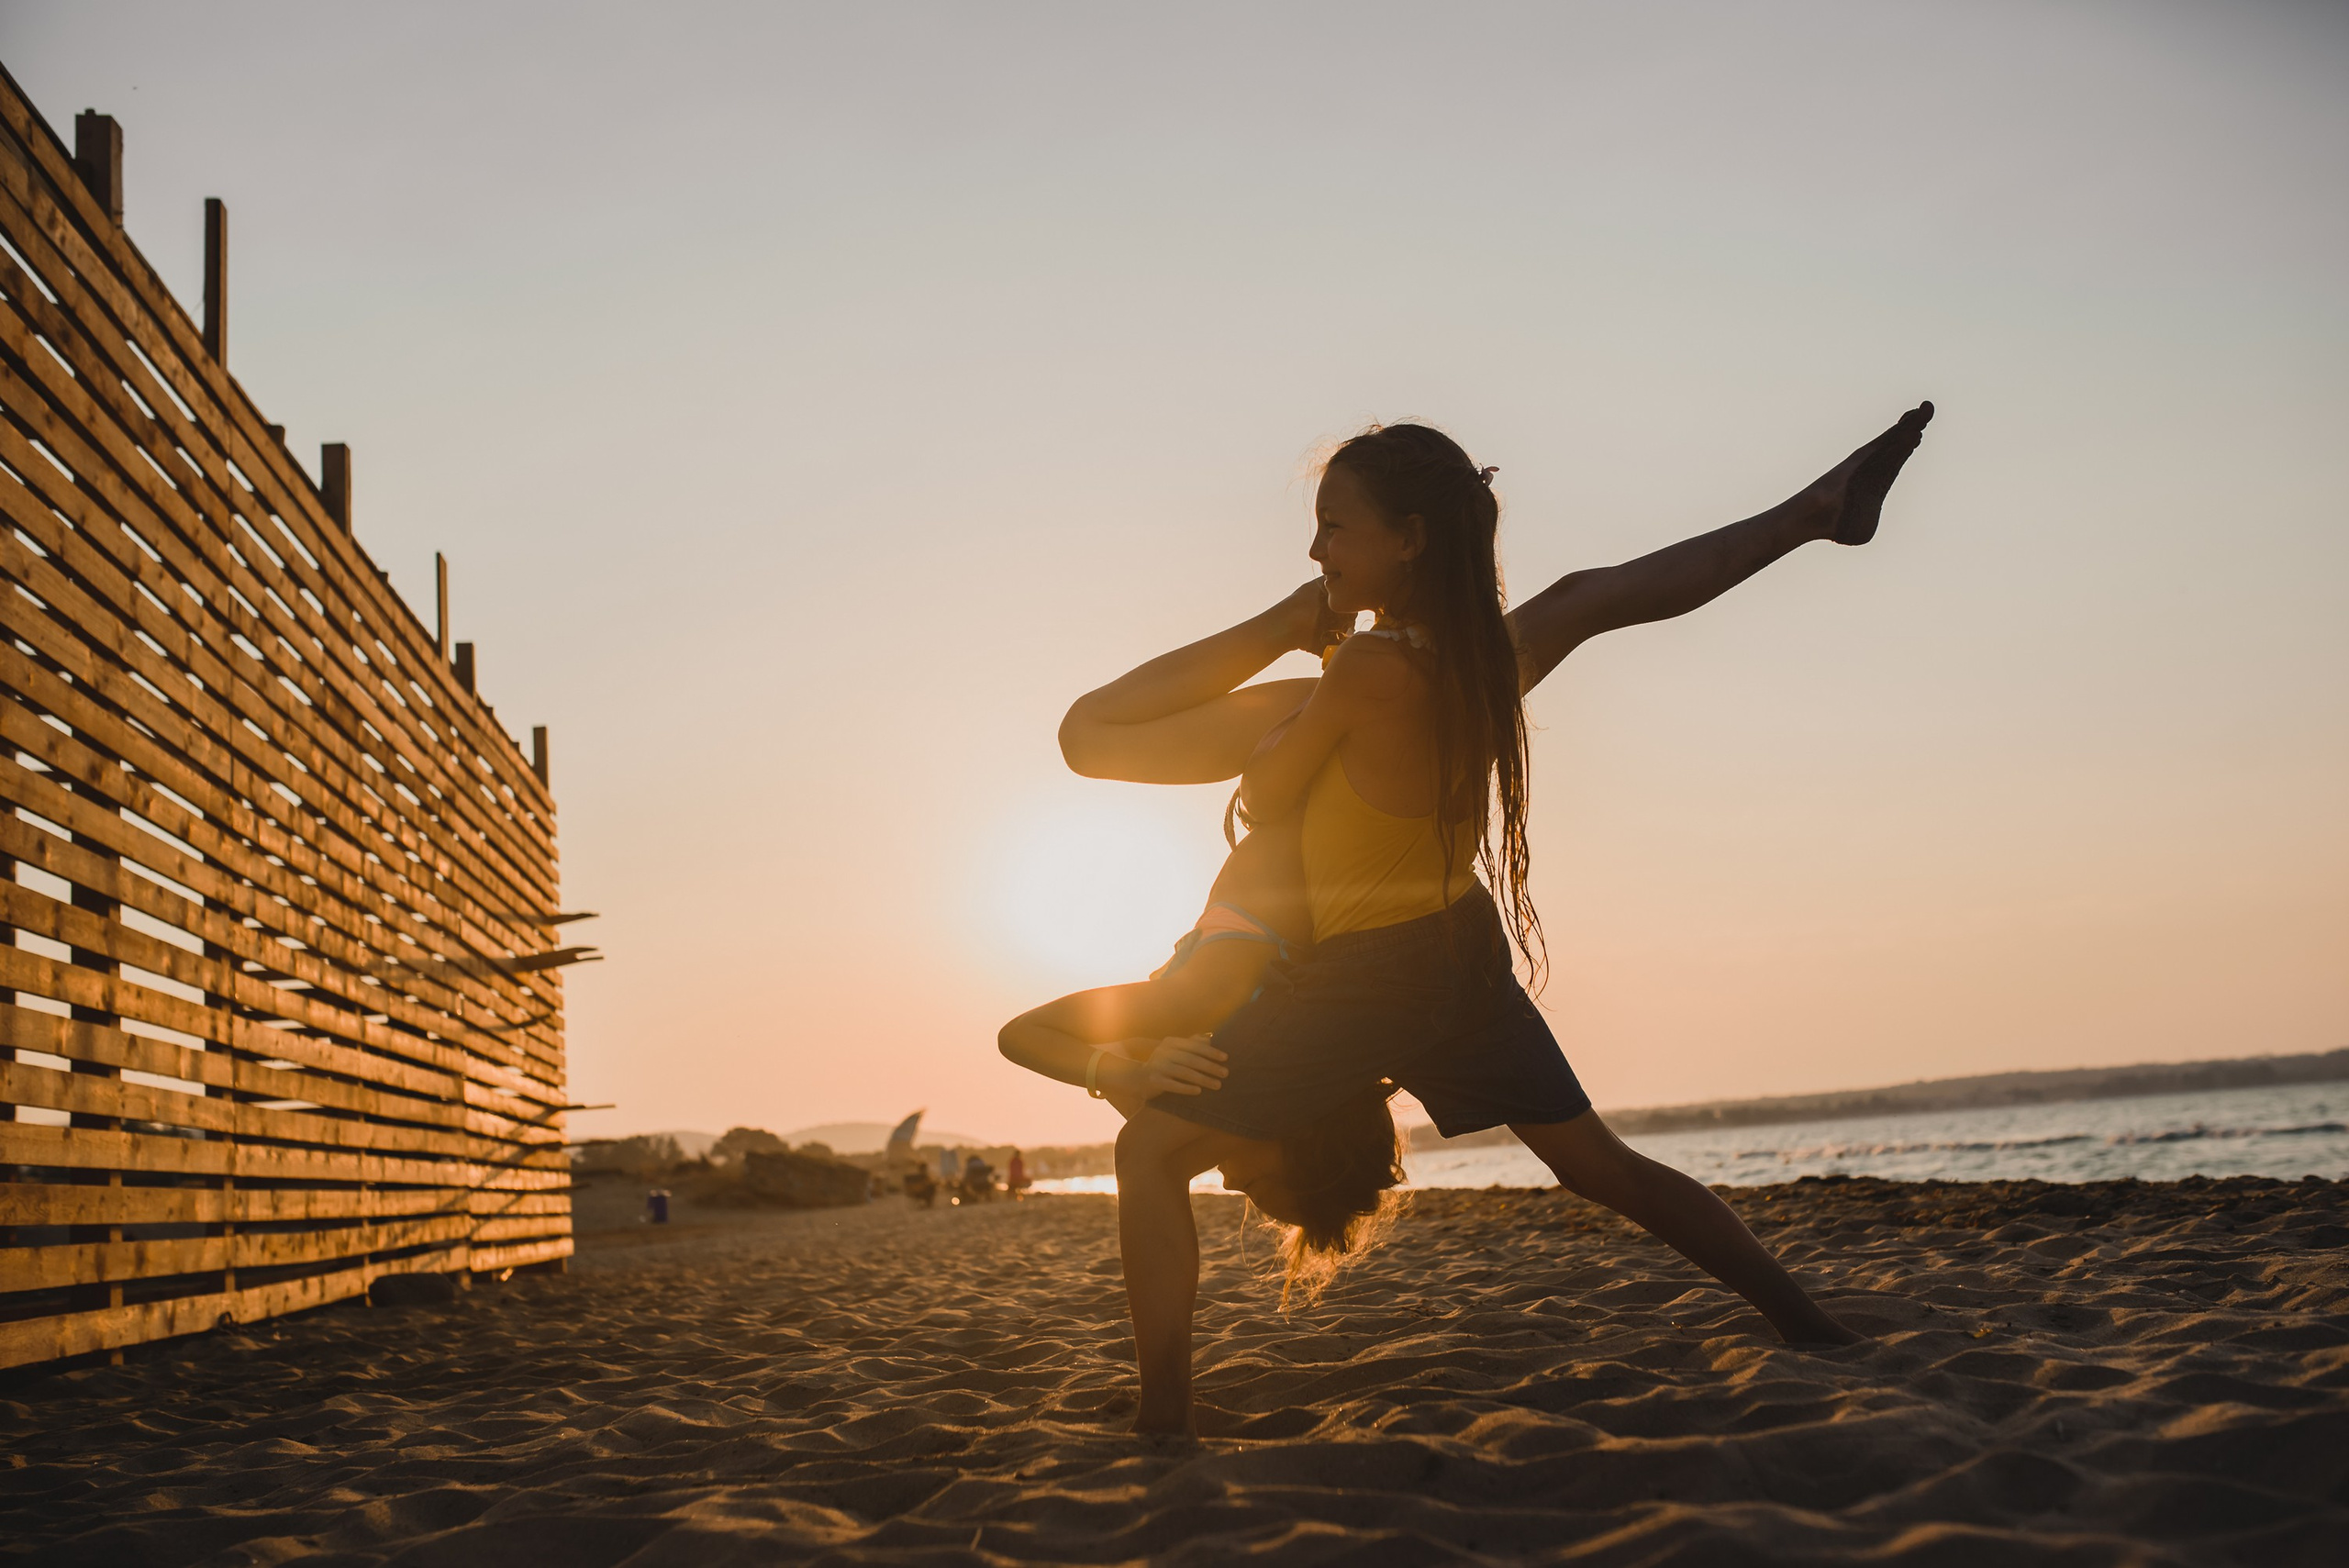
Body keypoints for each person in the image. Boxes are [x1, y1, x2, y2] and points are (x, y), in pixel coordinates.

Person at [1069, 405, 1933, 1432]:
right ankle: (1812, 1328)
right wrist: (1801, 515)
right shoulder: (1486, 663)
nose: (1315, 548)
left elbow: (1125, 746)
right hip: (1459, 952)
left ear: (1409, 538)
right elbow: (1631, 589)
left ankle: (1163, 1422)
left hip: (1369, 973)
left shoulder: (1362, 674)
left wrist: (1278, 636)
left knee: (1150, 1153)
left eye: (1334, 526)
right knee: (1597, 1165)